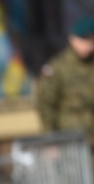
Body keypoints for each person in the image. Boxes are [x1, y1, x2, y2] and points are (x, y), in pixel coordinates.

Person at [36, 14, 94, 150]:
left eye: (91, 40)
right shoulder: (58, 68)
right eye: (83, 40)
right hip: (71, 140)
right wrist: (49, 140)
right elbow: (45, 105)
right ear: (72, 39)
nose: (88, 45)